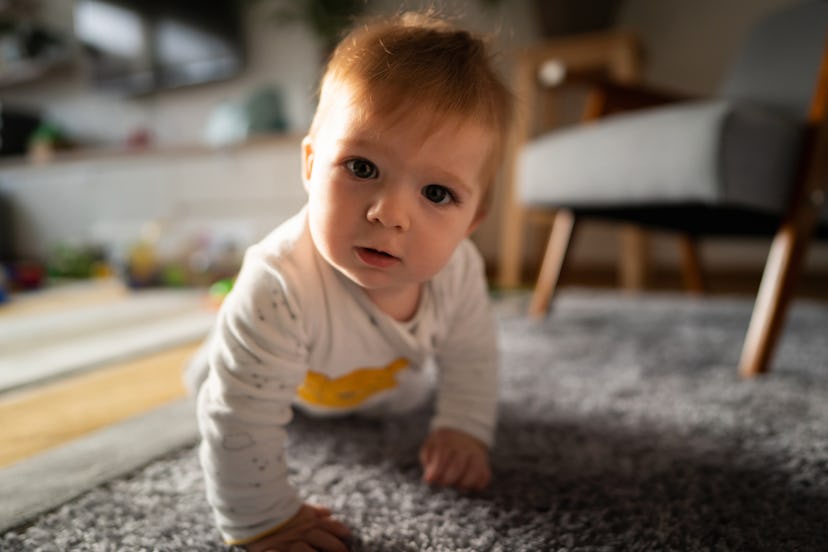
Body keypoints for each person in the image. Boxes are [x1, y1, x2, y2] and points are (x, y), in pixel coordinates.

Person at [190, 11, 514, 551]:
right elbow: (237, 419)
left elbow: (472, 355)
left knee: (407, 393)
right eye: (362, 168)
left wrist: (463, 427)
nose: (390, 215)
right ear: (312, 166)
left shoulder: (458, 272)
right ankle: (212, 355)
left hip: (374, 383)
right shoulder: (278, 282)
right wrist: (263, 522)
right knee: (218, 389)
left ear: (472, 223)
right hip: (280, 366)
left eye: (437, 194)